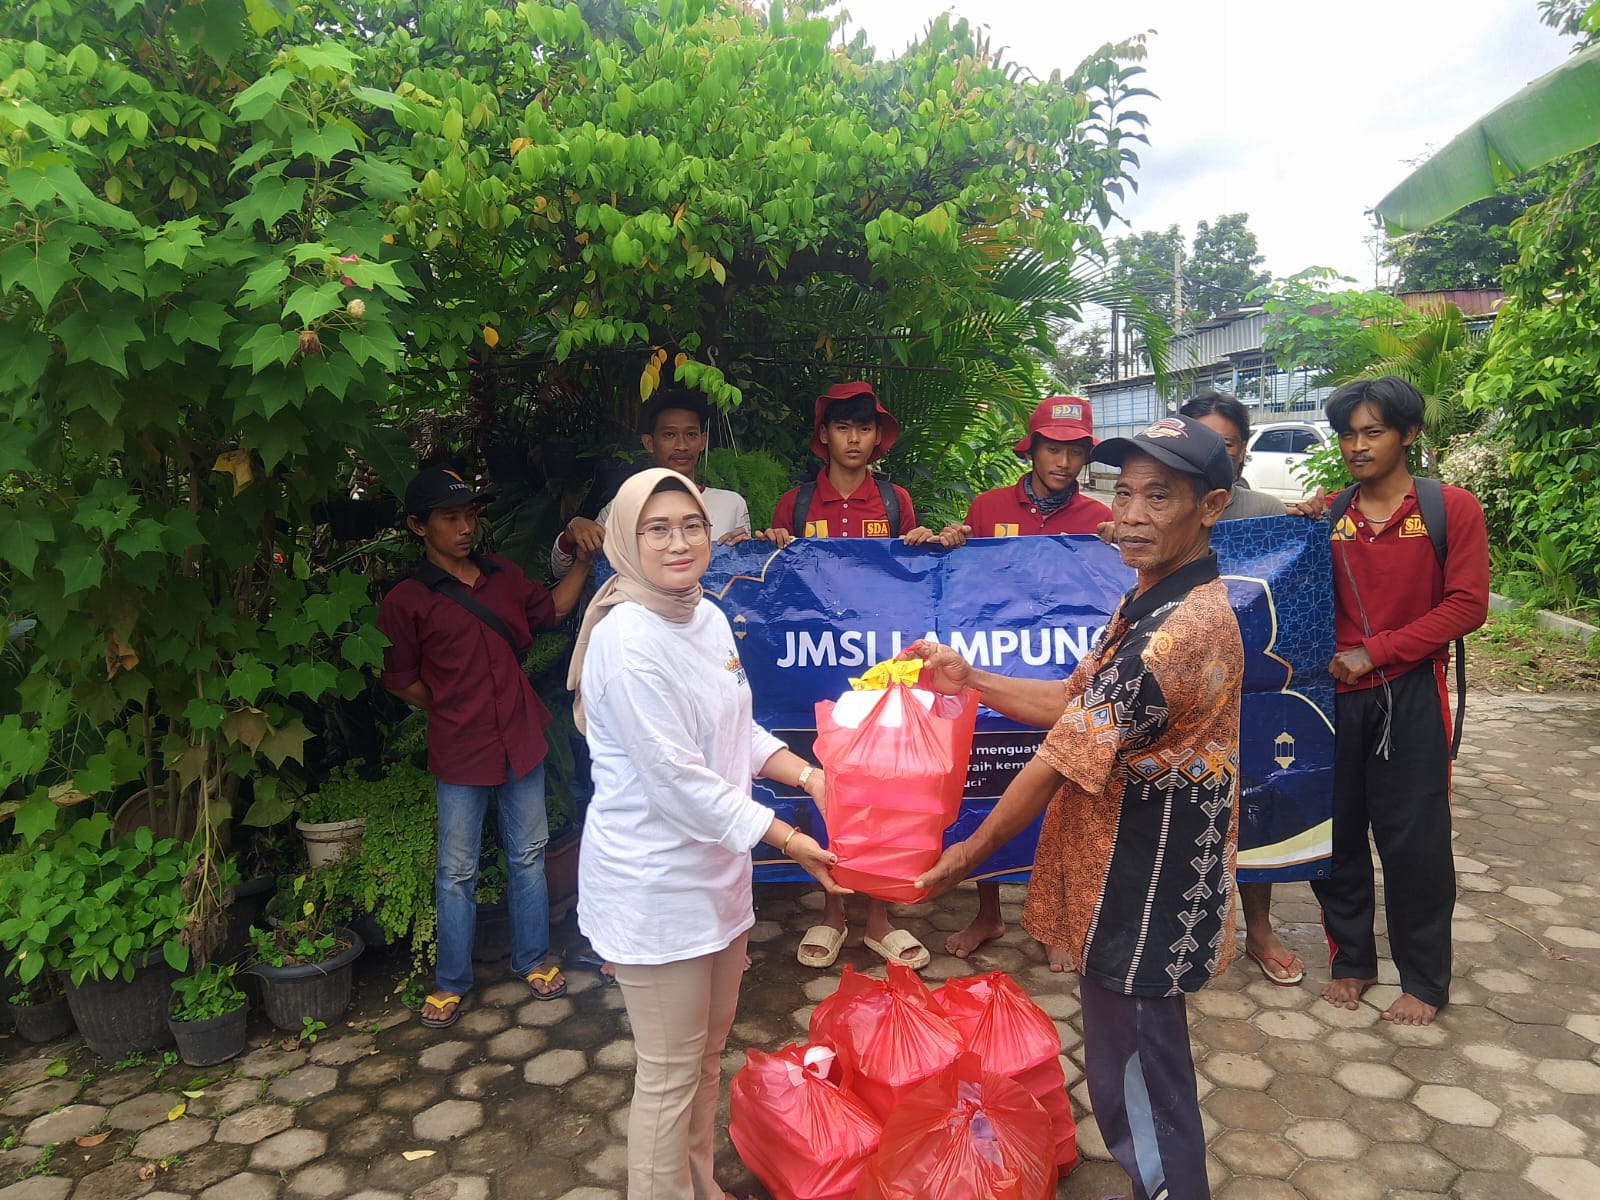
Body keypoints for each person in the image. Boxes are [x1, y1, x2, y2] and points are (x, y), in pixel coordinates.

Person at [913, 414, 1242, 1200]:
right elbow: (1074, 703)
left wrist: (964, 856)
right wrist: (973, 680)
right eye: (1122, 493)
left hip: (1144, 887)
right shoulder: (1149, 601)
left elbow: (1062, 755)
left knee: (1137, 1075)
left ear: (1212, 506)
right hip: (1125, 880)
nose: (1130, 513)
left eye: (1158, 496)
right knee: (1134, 1064)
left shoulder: (1180, 632)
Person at [568, 467, 847, 1200]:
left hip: (719, 877)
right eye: (657, 528)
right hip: (656, 887)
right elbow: (679, 782)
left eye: (691, 524)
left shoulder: (705, 615)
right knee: (666, 1074)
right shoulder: (627, 640)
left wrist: (809, 776)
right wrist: (789, 839)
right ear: (628, 539)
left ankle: (698, 1184)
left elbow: (737, 729)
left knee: (706, 1055)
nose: (679, 541)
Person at [1290, 377, 1488, 1026]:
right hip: (1333, 701)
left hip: (1408, 695)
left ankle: (1425, 979)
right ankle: (1351, 962)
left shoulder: (1450, 508)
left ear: (1407, 434)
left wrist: (1378, 651)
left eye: (1373, 431)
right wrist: (1294, 536)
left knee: (1416, 844)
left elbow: (1467, 605)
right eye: (1348, 433)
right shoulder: (1331, 513)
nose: (1357, 445)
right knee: (1338, 835)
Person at [378, 465, 594, 1028]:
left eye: (470, 515)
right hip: (459, 745)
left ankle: (532, 960)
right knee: (455, 869)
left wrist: (588, 563)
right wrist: (451, 704)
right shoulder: (407, 600)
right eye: (449, 517)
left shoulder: (502, 578)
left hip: (520, 736)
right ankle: (450, 982)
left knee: (528, 854)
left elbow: (552, 611)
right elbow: (401, 680)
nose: (464, 527)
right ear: (417, 526)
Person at [756, 381, 949, 971]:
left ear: (877, 437)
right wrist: (771, 546)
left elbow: (909, 581)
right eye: (844, 427)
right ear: (824, 436)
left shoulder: (896, 503)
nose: (855, 439)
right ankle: (832, 913)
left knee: (885, 786)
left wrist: (921, 544)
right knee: (829, 782)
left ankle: (879, 918)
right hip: (814, 668)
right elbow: (773, 583)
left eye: (864, 428)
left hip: (879, 669)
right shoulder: (791, 504)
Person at [926, 396, 1112, 964]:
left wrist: (1111, 548)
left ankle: (1057, 919)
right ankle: (989, 915)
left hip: (1065, 677)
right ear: (1030, 449)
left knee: (1066, 793)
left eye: (1075, 450)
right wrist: (950, 542)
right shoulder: (986, 508)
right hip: (999, 671)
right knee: (990, 786)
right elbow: (958, 587)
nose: (1063, 461)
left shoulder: (1099, 521)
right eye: (1052, 447)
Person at [1178, 390, 1304, 988]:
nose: (1212, 453)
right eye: (1199, 441)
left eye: (1224, 444)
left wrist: (1307, 528)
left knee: (1257, 802)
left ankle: (1259, 927)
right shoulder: (1164, 507)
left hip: (1252, 688)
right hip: (1175, 695)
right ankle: (1181, 931)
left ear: (1243, 449)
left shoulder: (1268, 512)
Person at [552, 388, 750, 577]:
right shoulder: (622, 508)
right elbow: (561, 570)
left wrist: (752, 550)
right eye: (669, 435)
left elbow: (745, 580)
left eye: (691, 434)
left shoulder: (732, 504)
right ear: (649, 443)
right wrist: (572, 532)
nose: (682, 445)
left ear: (702, 441)